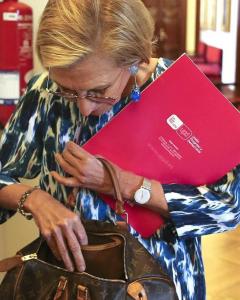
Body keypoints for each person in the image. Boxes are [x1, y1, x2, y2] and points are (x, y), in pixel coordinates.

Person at [0, 0, 239, 299]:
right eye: (68, 90)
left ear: (136, 59)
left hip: (157, 282)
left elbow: (229, 208)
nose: (84, 108)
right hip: (64, 282)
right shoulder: (42, 91)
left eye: (98, 91)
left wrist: (124, 184)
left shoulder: (184, 93)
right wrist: (35, 199)